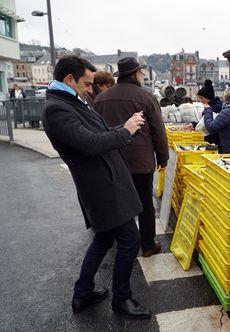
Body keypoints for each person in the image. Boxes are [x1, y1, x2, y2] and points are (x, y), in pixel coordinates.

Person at [42, 55, 151, 319]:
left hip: (105, 181)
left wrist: (126, 128)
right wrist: (124, 131)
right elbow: (90, 143)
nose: (91, 89)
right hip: (101, 186)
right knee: (130, 239)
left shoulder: (70, 101)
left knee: (104, 238)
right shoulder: (57, 108)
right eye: (87, 84)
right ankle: (122, 299)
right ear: (70, 80)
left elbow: (98, 134)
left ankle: (83, 293)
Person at [94, 57, 169, 258]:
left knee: (118, 203)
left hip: (112, 162)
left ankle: (121, 242)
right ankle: (147, 244)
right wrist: (163, 158)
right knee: (144, 203)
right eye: (141, 73)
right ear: (135, 74)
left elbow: (95, 130)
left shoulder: (101, 99)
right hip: (140, 163)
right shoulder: (146, 97)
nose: (142, 76)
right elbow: (158, 131)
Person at [190, 80, 223, 146]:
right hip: (209, 139)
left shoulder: (217, 108)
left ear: (208, 98)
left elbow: (211, 125)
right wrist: (193, 124)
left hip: (214, 141)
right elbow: (204, 121)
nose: (201, 101)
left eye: (202, 98)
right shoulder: (208, 106)